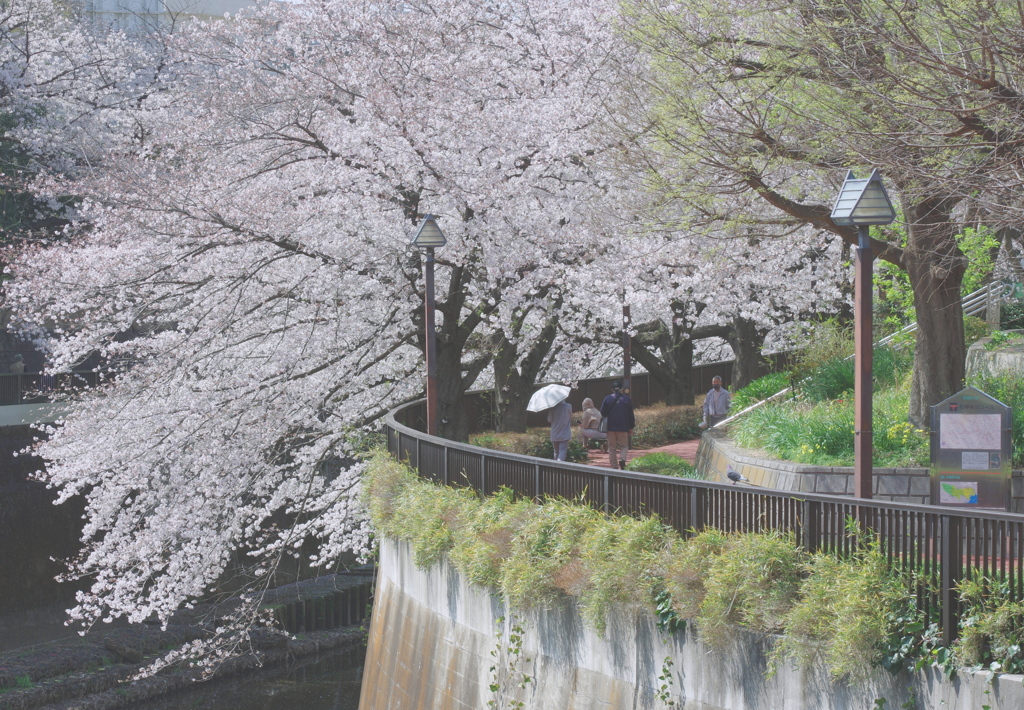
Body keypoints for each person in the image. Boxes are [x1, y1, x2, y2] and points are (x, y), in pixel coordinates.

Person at [600, 379, 634, 470]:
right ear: (622, 389)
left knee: (612, 448)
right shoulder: (627, 399)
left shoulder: (607, 398)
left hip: (610, 427)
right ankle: (622, 459)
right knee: (624, 446)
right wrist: (631, 427)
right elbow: (631, 414)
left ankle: (614, 466)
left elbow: (603, 412)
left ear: (612, 389)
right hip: (623, 426)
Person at [547, 397, 572, 461]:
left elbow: (549, 420)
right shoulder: (568, 406)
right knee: (562, 451)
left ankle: (555, 467)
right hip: (564, 432)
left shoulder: (552, 408)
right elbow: (570, 417)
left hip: (554, 433)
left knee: (556, 452)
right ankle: (559, 467)